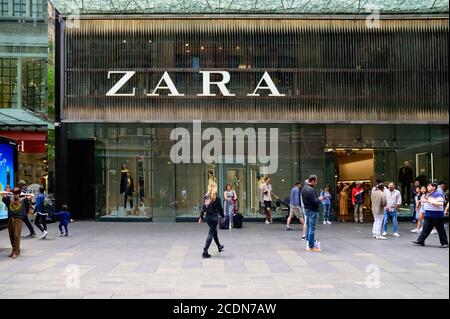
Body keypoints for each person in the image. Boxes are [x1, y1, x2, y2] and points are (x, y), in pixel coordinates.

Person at [413, 182, 449, 248]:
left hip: (437, 215)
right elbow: (426, 201)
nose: (427, 187)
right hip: (429, 214)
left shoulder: (438, 194)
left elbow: (440, 204)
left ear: (434, 187)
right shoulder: (429, 194)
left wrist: (430, 201)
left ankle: (444, 243)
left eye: (429, 186)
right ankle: (420, 241)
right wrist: (421, 201)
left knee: (440, 230)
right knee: (425, 229)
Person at [1, 188, 32, 259]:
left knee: (16, 235)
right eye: (14, 193)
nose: (15, 195)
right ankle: (15, 250)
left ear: (19, 193)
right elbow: (4, 199)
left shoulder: (23, 200)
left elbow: (27, 207)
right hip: (10, 218)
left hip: (18, 219)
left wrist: (28, 199)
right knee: (11, 235)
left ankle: (16, 251)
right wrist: (4, 195)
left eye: (16, 193)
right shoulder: (9, 199)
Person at [198, 184, 225, 258]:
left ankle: (219, 246)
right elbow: (220, 209)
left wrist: (201, 217)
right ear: (215, 189)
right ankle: (205, 251)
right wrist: (223, 217)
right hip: (214, 219)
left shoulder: (206, 196)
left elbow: (203, 208)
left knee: (214, 232)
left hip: (208, 218)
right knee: (211, 233)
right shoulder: (217, 198)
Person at [301, 175, 324, 252]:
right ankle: (311, 247)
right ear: (313, 181)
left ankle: (308, 244)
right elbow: (315, 202)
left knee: (308, 227)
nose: (316, 183)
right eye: (316, 181)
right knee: (312, 228)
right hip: (312, 211)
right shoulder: (311, 189)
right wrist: (320, 199)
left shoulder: (304, 188)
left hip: (307, 210)